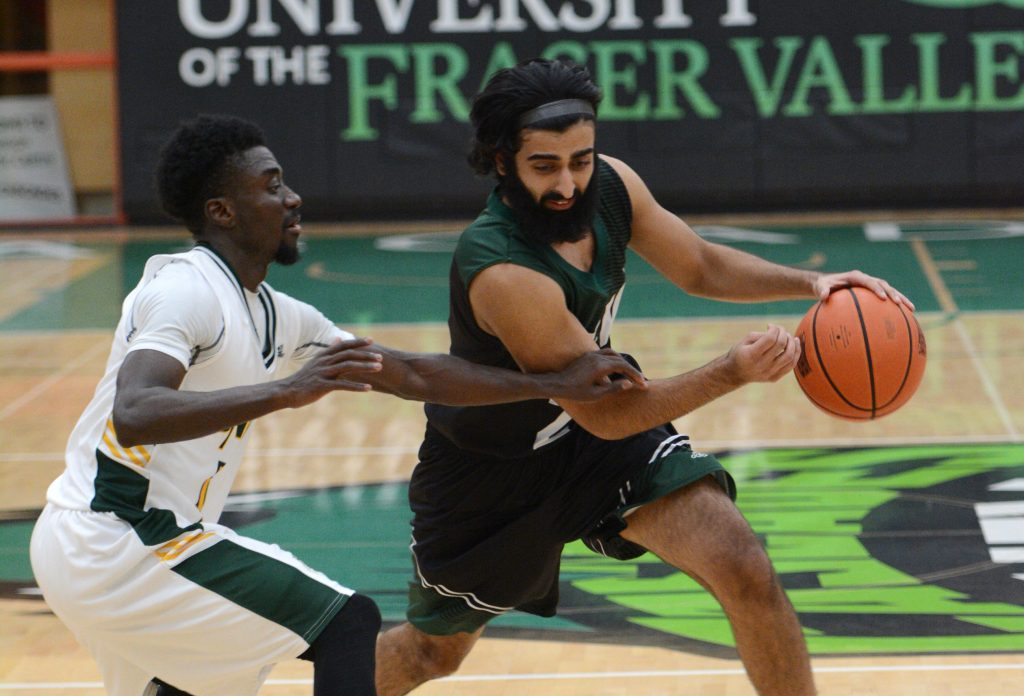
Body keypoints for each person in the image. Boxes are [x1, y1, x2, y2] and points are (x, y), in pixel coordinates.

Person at [28, 114, 647, 696]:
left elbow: (410, 373)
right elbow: (134, 411)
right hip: (117, 538)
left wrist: (554, 383)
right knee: (346, 623)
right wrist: (284, 391)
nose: (292, 198)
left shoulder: (276, 312)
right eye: (272, 187)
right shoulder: (184, 291)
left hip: (111, 549)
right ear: (222, 211)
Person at [374, 58, 916, 696]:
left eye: (581, 158)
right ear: (501, 163)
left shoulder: (611, 187)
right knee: (430, 656)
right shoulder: (503, 269)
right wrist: (731, 372)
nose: (570, 182)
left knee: (743, 566)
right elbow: (606, 411)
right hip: (492, 473)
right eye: (545, 165)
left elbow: (702, 268)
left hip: (593, 444)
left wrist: (812, 282)